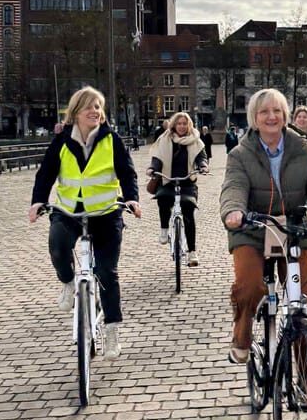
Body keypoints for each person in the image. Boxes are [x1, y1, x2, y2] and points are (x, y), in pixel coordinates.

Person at [220, 88, 307, 364]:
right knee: (250, 287)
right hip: (253, 229)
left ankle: (306, 379)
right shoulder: (240, 154)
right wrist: (234, 211)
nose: (272, 116)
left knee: (305, 304)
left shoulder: (305, 150)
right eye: (264, 112)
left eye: (277, 111)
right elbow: (233, 187)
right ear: (254, 119)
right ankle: (242, 335)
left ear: (286, 116)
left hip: (295, 230)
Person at [28, 86, 142, 358]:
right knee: (57, 246)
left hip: (105, 213)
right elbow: (46, 173)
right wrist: (37, 201)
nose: (95, 111)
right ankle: (68, 282)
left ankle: (112, 331)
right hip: (69, 212)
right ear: (76, 112)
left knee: (106, 273)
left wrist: (132, 199)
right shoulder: (62, 141)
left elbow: (127, 172)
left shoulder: (111, 139)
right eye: (89, 106)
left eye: (98, 107)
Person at [147, 112, 209, 267]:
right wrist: (152, 169)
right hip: (168, 181)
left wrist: (203, 166)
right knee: (162, 199)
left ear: (189, 125)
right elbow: (157, 159)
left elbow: (201, 156)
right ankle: (164, 229)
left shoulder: (195, 140)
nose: (182, 126)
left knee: (188, 213)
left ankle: (192, 252)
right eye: (179, 123)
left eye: (184, 123)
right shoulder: (164, 139)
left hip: (187, 183)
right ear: (174, 125)